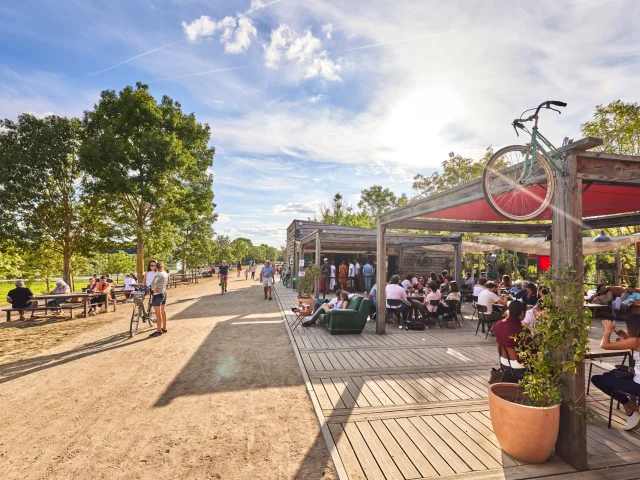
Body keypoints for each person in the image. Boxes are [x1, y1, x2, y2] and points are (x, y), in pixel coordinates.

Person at [591, 315, 640, 431]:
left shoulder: (635, 341)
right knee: (610, 376)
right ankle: (629, 409)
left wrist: (608, 330)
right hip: (636, 379)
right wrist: (626, 337)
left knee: (598, 379)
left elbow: (604, 345)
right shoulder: (635, 341)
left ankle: (633, 408)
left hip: (638, 385)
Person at [493, 300, 528, 378]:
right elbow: (532, 348)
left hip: (503, 361)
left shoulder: (499, 323)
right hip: (519, 366)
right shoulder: (521, 329)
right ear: (522, 313)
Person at [149, 261, 169, 337]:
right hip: (164, 292)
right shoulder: (165, 273)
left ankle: (158, 331)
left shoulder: (158, 274)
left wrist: (154, 289)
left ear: (156, 267)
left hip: (158, 294)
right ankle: (164, 328)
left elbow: (153, 283)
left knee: (158, 314)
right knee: (163, 311)